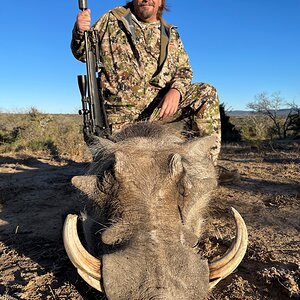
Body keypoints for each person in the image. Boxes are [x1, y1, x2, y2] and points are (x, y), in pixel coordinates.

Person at [71, 0, 221, 164]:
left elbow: (184, 70)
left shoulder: (170, 33)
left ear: (161, 2)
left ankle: (205, 167)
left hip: (159, 110)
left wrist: (176, 90)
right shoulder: (111, 19)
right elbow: (83, 54)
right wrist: (80, 31)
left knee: (206, 92)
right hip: (120, 117)